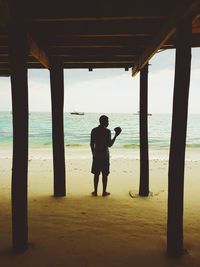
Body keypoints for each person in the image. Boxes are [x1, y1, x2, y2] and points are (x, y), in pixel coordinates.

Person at [90, 115, 121, 197]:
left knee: (96, 174)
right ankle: (104, 192)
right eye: (107, 121)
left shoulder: (94, 130)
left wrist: (93, 153)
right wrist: (116, 135)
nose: (108, 123)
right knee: (105, 174)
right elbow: (110, 144)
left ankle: (95, 192)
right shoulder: (107, 131)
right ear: (104, 122)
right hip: (105, 155)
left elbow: (91, 144)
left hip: (96, 155)